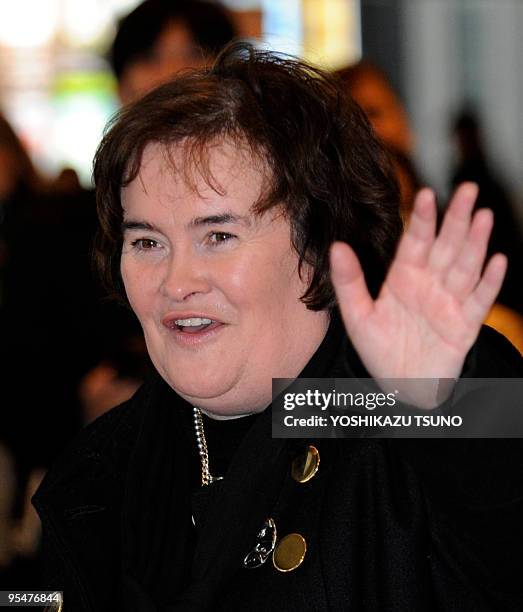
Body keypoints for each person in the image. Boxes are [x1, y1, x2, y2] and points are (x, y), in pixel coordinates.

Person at [33, 43, 523, 611]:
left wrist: (444, 401)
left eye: (218, 236)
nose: (175, 281)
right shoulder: (98, 472)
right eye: (146, 242)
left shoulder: (392, 410)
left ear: (319, 244)